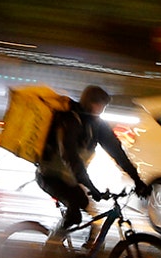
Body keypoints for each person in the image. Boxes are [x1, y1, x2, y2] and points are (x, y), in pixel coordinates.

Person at [37, 85, 150, 238]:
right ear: (88, 102)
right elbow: (70, 157)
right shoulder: (69, 120)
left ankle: (87, 253)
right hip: (50, 176)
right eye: (98, 104)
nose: (100, 109)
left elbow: (117, 152)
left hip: (71, 179)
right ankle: (50, 246)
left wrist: (137, 180)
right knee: (74, 214)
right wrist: (90, 186)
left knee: (94, 214)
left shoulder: (97, 126)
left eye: (103, 106)